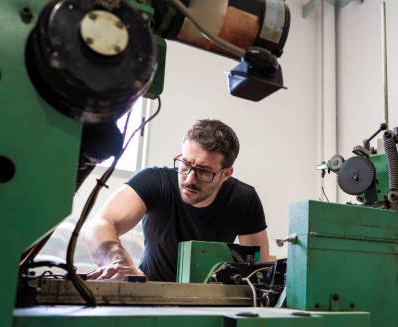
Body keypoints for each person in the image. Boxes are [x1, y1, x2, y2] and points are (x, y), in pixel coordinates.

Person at [83, 119, 269, 282]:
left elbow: (259, 270)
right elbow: (99, 224)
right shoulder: (155, 181)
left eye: (204, 171)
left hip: (210, 301)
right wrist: (116, 261)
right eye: (185, 164)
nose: (189, 179)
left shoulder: (243, 199)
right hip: (150, 292)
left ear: (226, 174)